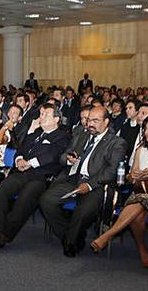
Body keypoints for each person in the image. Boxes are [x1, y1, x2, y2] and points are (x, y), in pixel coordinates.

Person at [90, 116, 148, 268]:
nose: (145, 132)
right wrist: (131, 176)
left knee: (139, 201)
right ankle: (141, 248)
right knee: (138, 212)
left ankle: (108, 235)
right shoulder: (141, 150)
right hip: (140, 194)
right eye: (145, 128)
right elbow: (130, 177)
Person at [0, 103, 71, 251]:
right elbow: (20, 148)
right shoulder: (35, 133)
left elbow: (52, 155)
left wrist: (30, 163)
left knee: (25, 199)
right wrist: (19, 159)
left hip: (42, 177)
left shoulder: (63, 136)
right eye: (41, 114)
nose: (42, 116)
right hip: (22, 172)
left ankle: (2, 236)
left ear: (56, 119)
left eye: (46, 114)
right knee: (0, 191)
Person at [39, 106, 127, 257]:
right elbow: (63, 155)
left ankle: (71, 242)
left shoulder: (117, 142)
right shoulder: (82, 135)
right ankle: (72, 236)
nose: (90, 124)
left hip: (98, 186)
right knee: (46, 200)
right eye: (88, 120)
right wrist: (68, 159)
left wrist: (90, 185)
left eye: (95, 120)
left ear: (106, 122)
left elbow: (112, 171)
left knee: (82, 212)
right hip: (74, 179)